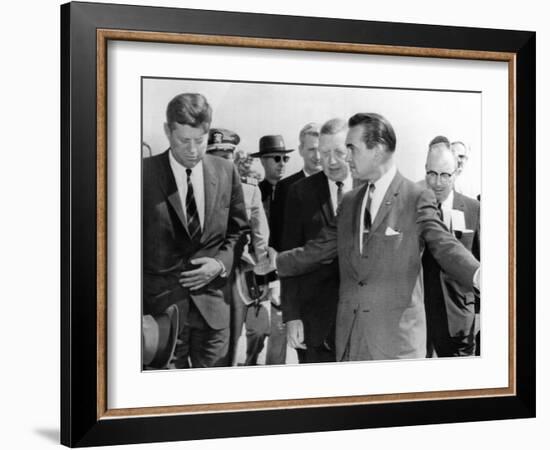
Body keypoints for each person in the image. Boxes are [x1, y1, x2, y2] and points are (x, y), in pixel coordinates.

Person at [275, 112, 480, 362]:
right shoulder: (350, 202)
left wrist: (479, 274)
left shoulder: (415, 197)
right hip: (350, 341)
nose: (346, 156)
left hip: (396, 346)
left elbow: (443, 243)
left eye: (351, 148)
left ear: (377, 150)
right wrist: (276, 263)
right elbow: (318, 250)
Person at [142, 93, 249, 369]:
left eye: (199, 141)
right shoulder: (141, 175)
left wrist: (219, 264)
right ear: (168, 131)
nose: (192, 150)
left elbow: (239, 232)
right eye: (183, 141)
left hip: (215, 312)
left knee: (214, 401)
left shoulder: (227, 171)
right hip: (161, 316)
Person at [281, 118, 352, 363]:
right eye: (324, 152)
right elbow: (288, 257)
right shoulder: (300, 192)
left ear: (351, 150)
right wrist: (291, 316)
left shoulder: (370, 190)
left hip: (360, 321)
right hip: (313, 322)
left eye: (339, 152)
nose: (330, 161)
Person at [205, 127, 273, 365]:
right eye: (216, 158)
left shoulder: (250, 190)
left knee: (246, 334)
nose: (222, 163)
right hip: (205, 275)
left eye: (227, 158)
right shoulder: (196, 189)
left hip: (238, 274)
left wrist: (266, 278)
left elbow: (260, 237)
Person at [422, 138, 480, 357]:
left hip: (459, 318)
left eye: (445, 175)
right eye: (432, 174)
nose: (438, 182)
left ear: (456, 173)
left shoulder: (473, 209)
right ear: (425, 171)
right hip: (422, 318)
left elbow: (480, 258)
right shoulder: (413, 206)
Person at [252, 134, 295, 364]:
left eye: (285, 159)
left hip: (286, 273)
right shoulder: (253, 193)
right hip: (259, 276)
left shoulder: (295, 192)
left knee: (281, 334)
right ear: (263, 161)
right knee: (256, 335)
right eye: (276, 158)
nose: (282, 163)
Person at [268, 123, 321, 251]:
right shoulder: (285, 187)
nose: (317, 156)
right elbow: (277, 234)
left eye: (321, 149)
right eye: (311, 150)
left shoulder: (337, 186)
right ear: (301, 150)